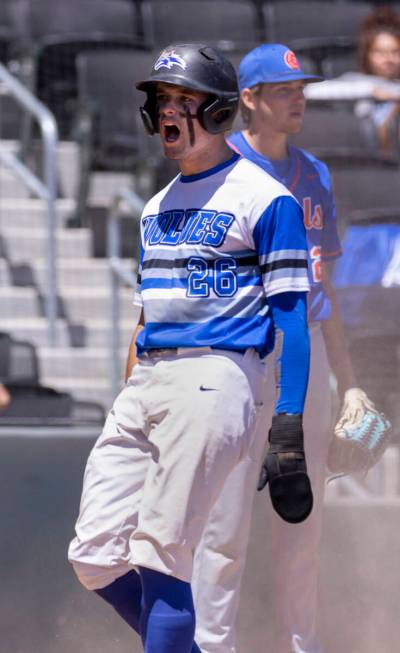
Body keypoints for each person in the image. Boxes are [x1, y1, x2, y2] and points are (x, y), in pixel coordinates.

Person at [68, 43, 312, 653]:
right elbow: (144, 317)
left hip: (217, 374)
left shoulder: (265, 198)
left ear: (221, 110)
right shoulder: (155, 208)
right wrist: (132, 389)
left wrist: (288, 424)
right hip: (149, 379)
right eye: (162, 101)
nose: (169, 112)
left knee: (162, 558)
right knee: (95, 556)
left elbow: (294, 320)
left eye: (186, 100)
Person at [190, 43, 374, 653]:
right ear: (249, 98)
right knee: (225, 524)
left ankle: (303, 645)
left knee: (304, 518)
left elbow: (323, 286)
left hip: (308, 358)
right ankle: (213, 646)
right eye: (284, 90)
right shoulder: (212, 167)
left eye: (301, 89)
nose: (299, 98)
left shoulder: (315, 174)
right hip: (238, 358)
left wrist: (348, 381)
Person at [305, 5, 400, 157]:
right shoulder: (357, 83)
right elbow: (308, 92)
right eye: (380, 52)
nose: (388, 59)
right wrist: (371, 91)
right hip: (364, 155)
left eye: (395, 52)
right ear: (367, 55)